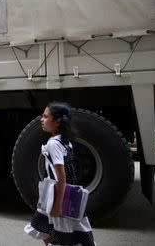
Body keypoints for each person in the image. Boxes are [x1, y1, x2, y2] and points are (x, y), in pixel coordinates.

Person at [24, 102, 95, 245]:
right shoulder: (64, 141)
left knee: (61, 232)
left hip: (58, 195)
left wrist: (57, 205)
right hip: (58, 193)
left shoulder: (53, 144)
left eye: (45, 116)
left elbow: (61, 178)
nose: (41, 119)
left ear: (57, 122)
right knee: (43, 227)